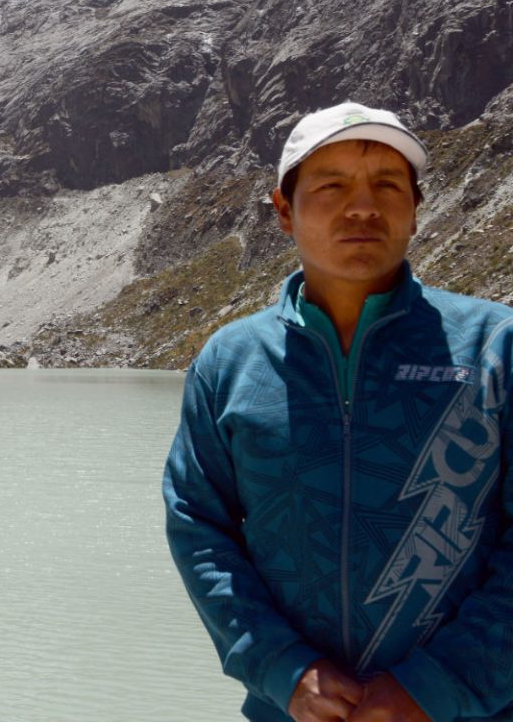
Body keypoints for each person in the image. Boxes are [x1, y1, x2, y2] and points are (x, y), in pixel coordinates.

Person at [163, 102, 513, 722]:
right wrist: (282, 668)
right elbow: (199, 526)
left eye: (387, 185)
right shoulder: (232, 361)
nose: (363, 207)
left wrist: (434, 687)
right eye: (331, 186)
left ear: (415, 209)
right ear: (282, 210)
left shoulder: (495, 346)